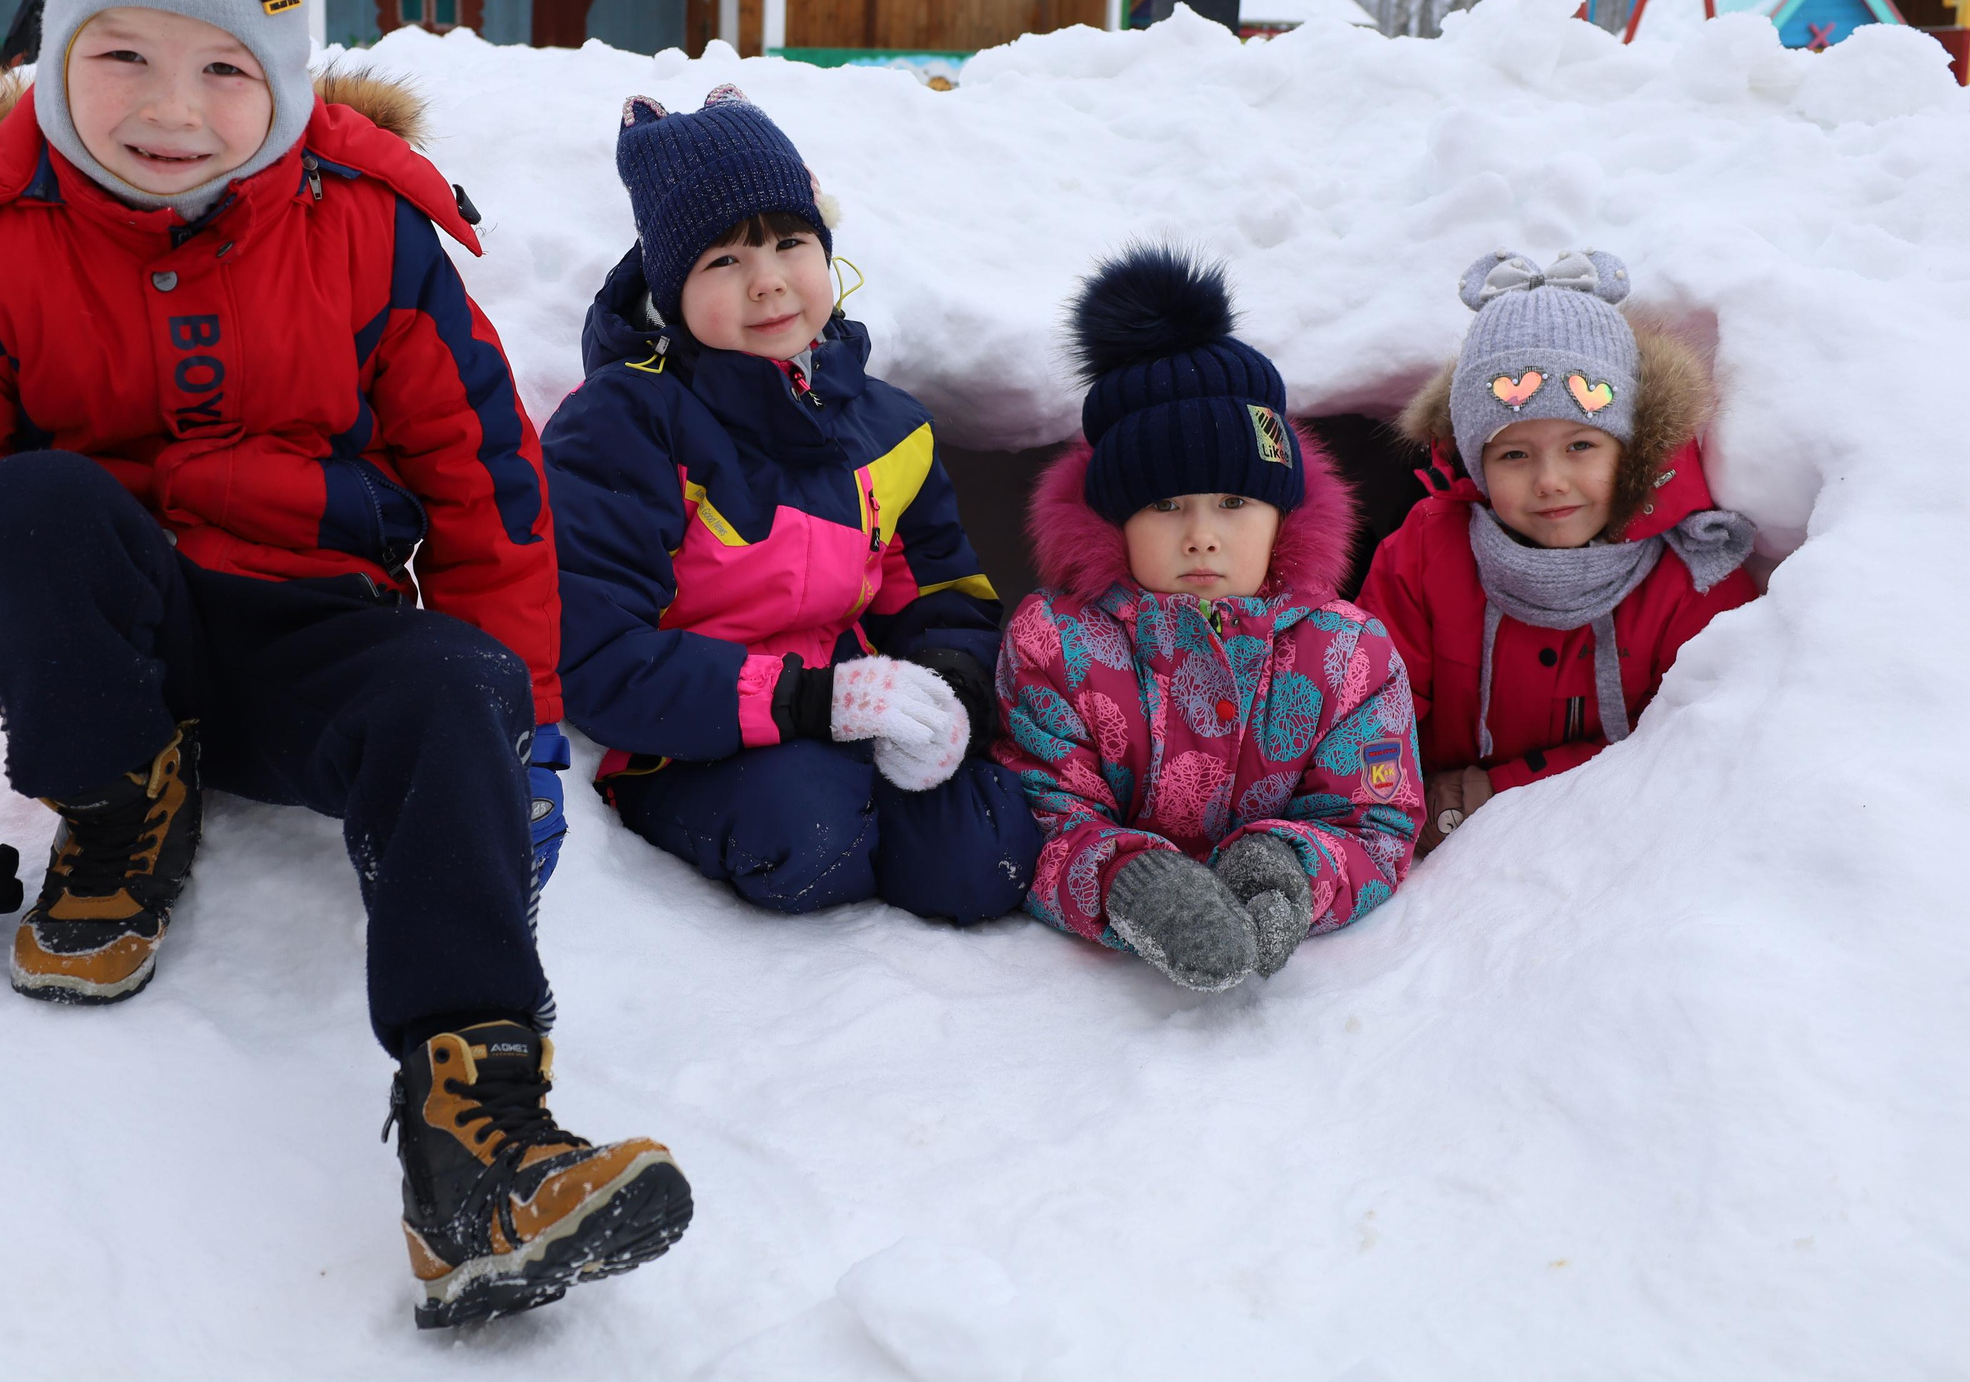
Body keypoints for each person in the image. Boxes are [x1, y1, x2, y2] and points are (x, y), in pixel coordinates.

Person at [0, 0, 687, 1328]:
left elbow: (484, 483)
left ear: (284, 72)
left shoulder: (367, 230)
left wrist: (521, 731)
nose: (171, 109)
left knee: (455, 681)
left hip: (307, 631)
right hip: (105, 644)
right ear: (55, 55)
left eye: (225, 67)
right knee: (19, 512)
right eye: (124, 55)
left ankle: (478, 1144)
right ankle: (120, 805)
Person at [541, 86, 1041, 923]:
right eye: (723, 261)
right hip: (691, 739)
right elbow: (595, 651)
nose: (768, 281)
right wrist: (811, 702)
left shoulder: (888, 423)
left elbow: (941, 592)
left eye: (789, 242)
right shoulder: (625, 423)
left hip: (855, 706)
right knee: (811, 831)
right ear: (672, 286)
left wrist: (947, 688)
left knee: (987, 849)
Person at [994, 248, 1422, 993]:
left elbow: (1373, 820)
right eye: (1165, 505)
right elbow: (1039, 815)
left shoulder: (1349, 653)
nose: (1201, 536)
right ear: (1115, 520)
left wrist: (1288, 870)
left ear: (1283, 515)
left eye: (1232, 503)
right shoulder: (1056, 645)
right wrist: (1132, 885)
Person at [1356, 249, 1759, 854]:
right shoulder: (1424, 549)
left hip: (1603, 850)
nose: (1549, 481)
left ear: (1630, 449)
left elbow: (1685, 743)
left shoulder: (1693, 573)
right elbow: (1368, 703)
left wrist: (1493, 793)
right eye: (1514, 454)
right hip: (1425, 832)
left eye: (1580, 446)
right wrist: (1388, 802)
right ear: (1478, 463)